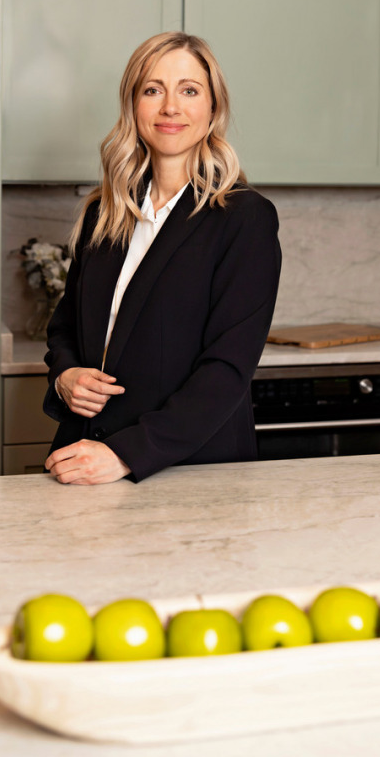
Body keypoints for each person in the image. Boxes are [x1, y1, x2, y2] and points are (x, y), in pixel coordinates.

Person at [43, 31, 281, 485]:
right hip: (84, 461)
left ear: (213, 109)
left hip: (190, 474)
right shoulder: (104, 212)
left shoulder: (244, 218)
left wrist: (125, 454)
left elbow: (226, 370)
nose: (171, 107)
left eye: (189, 91)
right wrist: (65, 374)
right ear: (134, 106)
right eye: (153, 90)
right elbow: (64, 326)